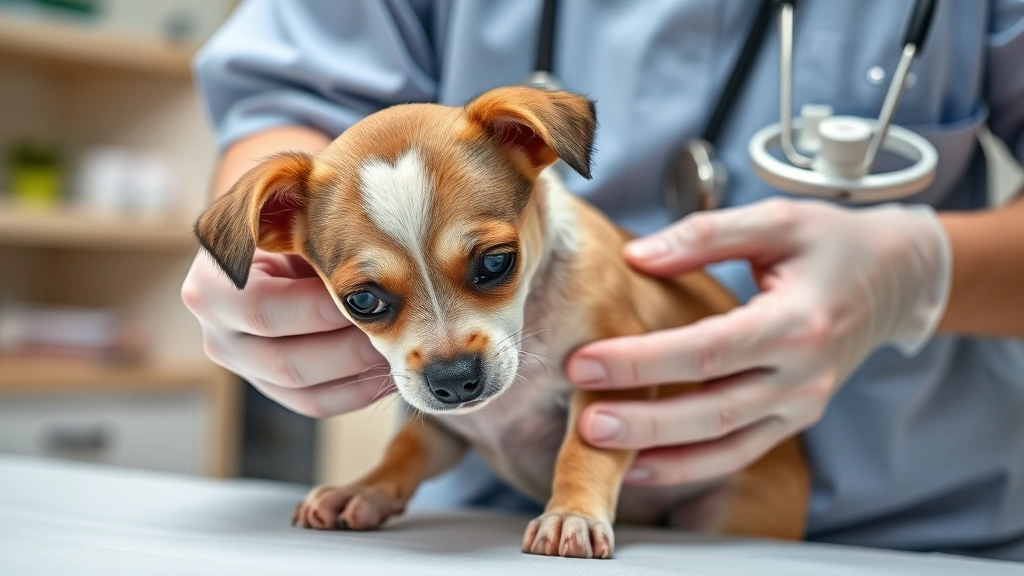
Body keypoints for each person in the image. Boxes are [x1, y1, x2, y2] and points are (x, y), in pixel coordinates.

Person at [181, 0, 1024, 560]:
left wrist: (924, 270)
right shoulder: (317, 239)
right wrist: (265, 268)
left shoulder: (579, 260)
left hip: (901, 530)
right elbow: (288, 87)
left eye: (490, 266)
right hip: (498, 538)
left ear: (535, 149)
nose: (446, 351)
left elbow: (603, 394)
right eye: (371, 300)